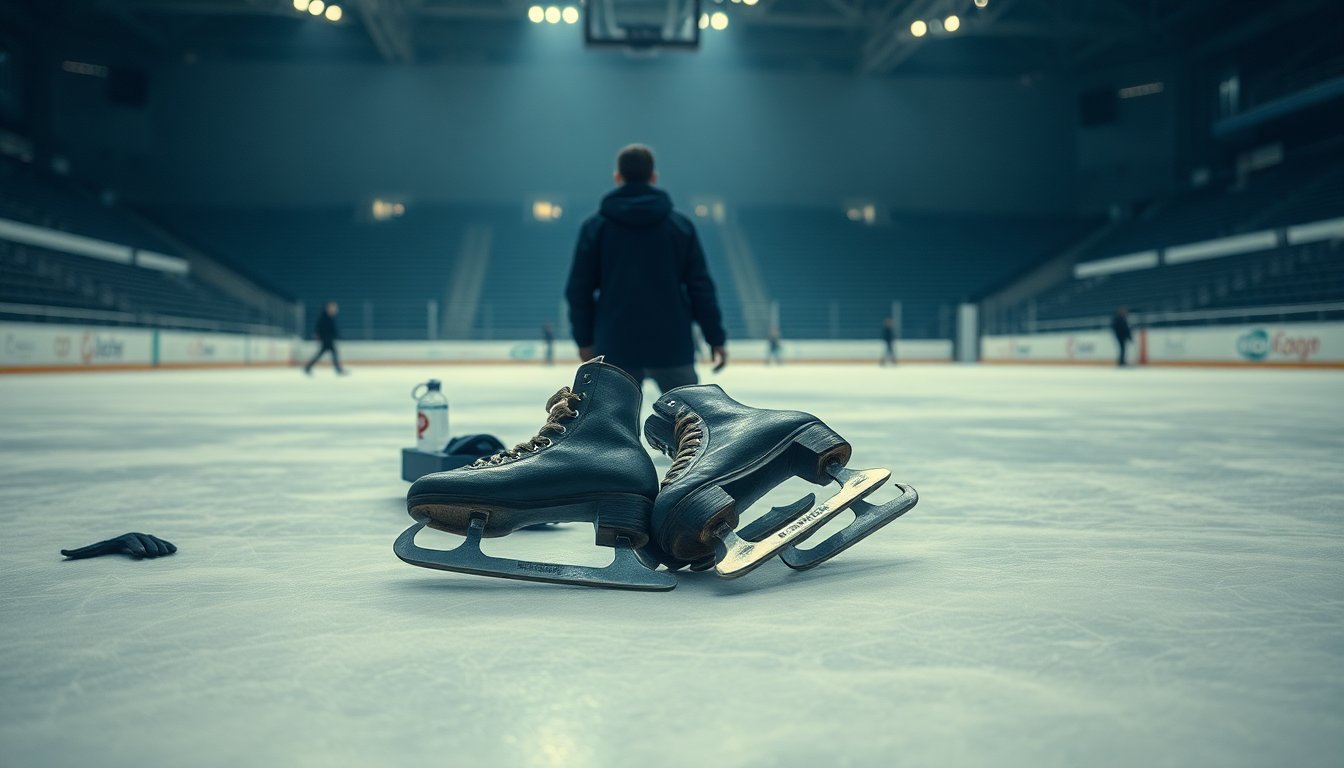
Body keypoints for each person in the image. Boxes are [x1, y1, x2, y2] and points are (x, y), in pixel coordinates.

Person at [565, 144, 727, 392]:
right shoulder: (680, 226)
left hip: (615, 345)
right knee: (685, 424)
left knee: (616, 427)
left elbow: (579, 291)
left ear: (618, 177)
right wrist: (714, 337)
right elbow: (700, 287)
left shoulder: (596, 227)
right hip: (673, 345)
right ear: (653, 177)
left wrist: (584, 339)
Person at [304, 301, 346, 375]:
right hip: (326, 339)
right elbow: (319, 327)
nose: (335, 309)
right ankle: (338, 369)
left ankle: (308, 367)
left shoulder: (330, 317)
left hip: (328, 338)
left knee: (322, 354)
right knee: (332, 353)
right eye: (333, 308)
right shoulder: (324, 317)